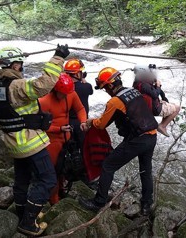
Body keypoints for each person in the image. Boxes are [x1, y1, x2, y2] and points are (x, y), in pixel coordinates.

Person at [0, 45, 69, 236]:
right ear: (14, 65)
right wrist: (58, 58)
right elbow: (43, 85)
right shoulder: (16, 86)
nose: (21, 67)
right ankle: (28, 222)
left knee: (22, 179)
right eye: (20, 63)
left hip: (13, 142)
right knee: (48, 179)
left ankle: (22, 214)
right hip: (29, 142)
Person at [78, 67, 158, 216]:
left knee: (108, 165)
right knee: (146, 170)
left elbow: (101, 124)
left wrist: (90, 121)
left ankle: (98, 202)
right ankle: (147, 203)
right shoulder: (133, 91)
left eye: (104, 88)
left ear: (109, 85)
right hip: (152, 135)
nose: (105, 91)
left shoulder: (114, 102)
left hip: (138, 140)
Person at [38, 73, 88, 205]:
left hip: (66, 138)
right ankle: (53, 199)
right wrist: (58, 129)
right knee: (53, 171)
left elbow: (80, 108)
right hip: (51, 141)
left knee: (64, 168)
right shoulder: (44, 101)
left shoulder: (70, 93)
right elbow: (39, 126)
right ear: (55, 90)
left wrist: (83, 121)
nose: (66, 96)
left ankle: (61, 189)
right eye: (63, 94)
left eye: (67, 93)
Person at [133, 64, 180, 137]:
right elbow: (155, 94)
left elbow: (154, 91)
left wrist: (157, 86)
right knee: (177, 108)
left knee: (172, 104)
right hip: (154, 108)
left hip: (147, 106)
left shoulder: (137, 82)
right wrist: (158, 86)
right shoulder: (144, 85)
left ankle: (163, 124)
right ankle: (162, 126)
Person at [64, 59, 93, 145]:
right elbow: (91, 91)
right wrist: (83, 80)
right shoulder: (86, 87)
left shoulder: (63, 88)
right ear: (77, 74)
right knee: (83, 146)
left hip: (67, 122)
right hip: (82, 121)